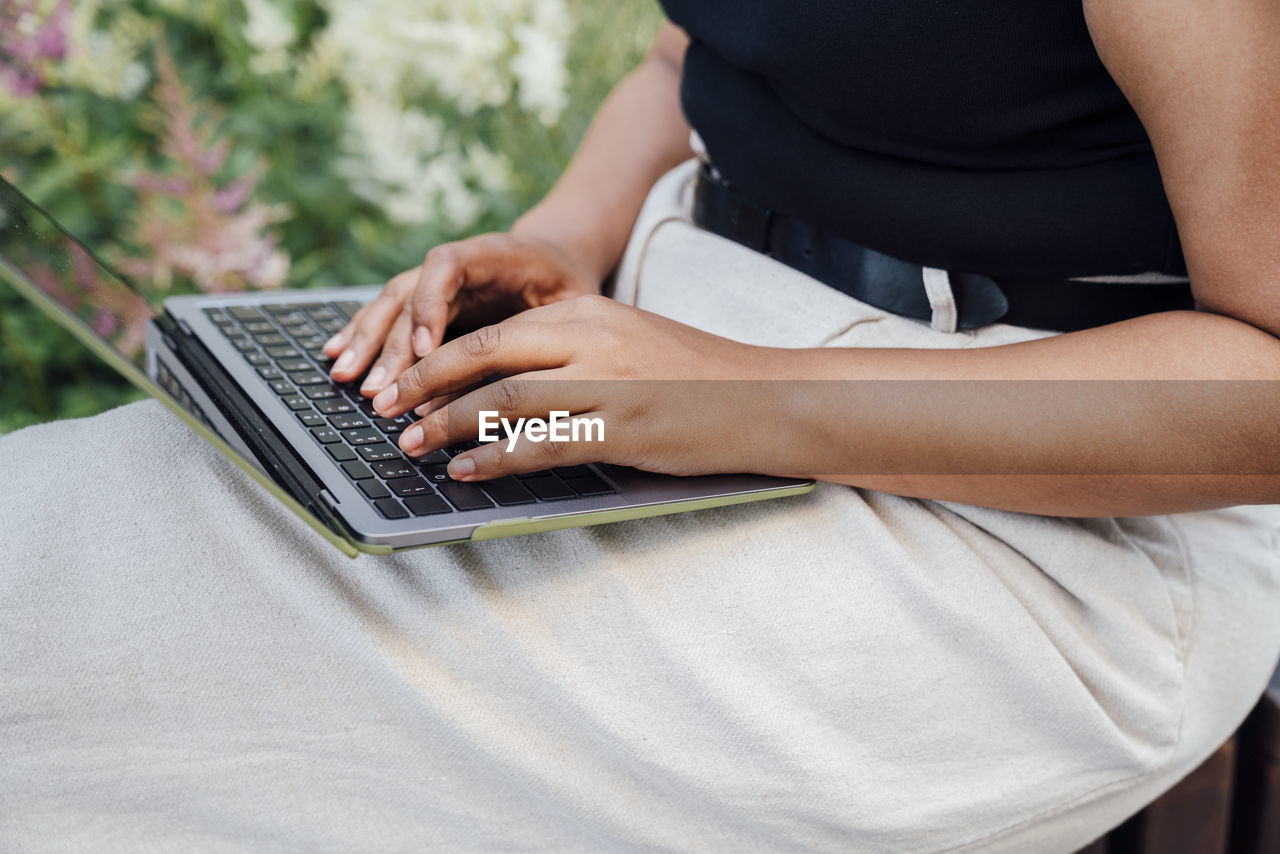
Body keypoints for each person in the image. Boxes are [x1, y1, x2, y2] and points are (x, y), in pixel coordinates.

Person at [2, 3, 1279, 852]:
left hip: (1041, 520)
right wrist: (565, 239)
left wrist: (737, 394)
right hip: (674, 343)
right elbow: (691, 64)